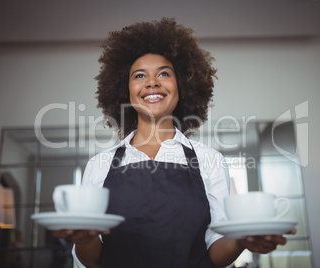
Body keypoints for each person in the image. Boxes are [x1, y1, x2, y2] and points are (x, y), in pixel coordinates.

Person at [54, 18, 294, 268]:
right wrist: (84, 239)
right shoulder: (99, 165)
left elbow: (215, 248)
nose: (152, 82)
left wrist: (241, 242)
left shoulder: (209, 161)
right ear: (125, 90)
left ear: (183, 86)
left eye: (164, 73)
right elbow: (90, 261)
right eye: (139, 75)